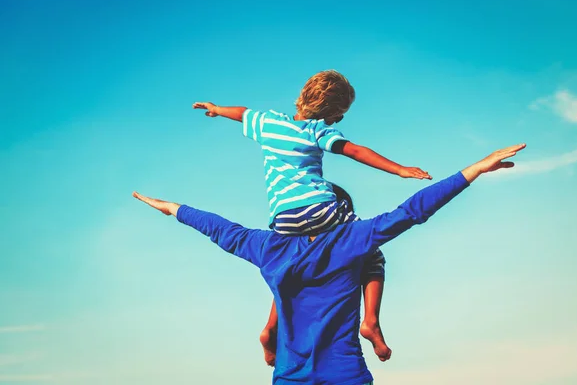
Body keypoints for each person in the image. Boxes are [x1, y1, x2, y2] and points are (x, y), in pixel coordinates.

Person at [133, 144, 525, 384]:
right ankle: (370, 322)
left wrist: (172, 208)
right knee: (373, 258)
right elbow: (413, 211)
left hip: (290, 373)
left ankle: (280, 334)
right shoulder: (352, 240)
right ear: (337, 210)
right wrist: (473, 170)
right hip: (344, 371)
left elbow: (221, 230)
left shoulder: (268, 247)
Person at [192, 70, 431, 361]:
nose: (338, 121)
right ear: (330, 113)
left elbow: (242, 113)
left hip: (282, 219)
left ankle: (271, 328)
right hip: (320, 210)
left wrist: (216, 110)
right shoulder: (317, 130)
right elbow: (355, 151)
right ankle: (370, 322)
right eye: (339, 115)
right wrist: (400, 169)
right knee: (371, 250)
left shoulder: (268, 123)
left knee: (287, 265)